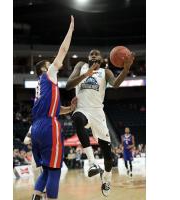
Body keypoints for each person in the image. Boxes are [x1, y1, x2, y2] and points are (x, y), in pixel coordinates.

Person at [66, 49, 134, 196]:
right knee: (77, 118)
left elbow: (115, 84)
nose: (94, 55)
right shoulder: (81, 66)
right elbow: (68, 85)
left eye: (97, 54)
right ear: (88, 57)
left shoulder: (106, 72)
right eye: (91, 53)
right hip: (82, 108)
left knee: (108, 156)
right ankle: (92, 163)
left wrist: (126, 68)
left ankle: (106, 179)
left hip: (97, 113)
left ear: (102, 59)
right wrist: (86, 74)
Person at [30, 16, 75, 200]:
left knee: (47, 170)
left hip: (37, 128)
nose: (54, 63)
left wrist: (69, 109)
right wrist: (71, 30)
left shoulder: (40, 87)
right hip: (49, 127)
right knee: (55, 170)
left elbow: (56, 109)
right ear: (45, 69)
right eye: (51, 63)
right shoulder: (49, 75)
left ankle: (36, 197)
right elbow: (63, 50)